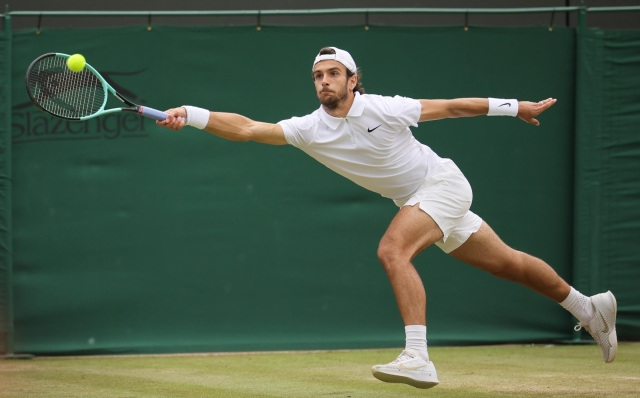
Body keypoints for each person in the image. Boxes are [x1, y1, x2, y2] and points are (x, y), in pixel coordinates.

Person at [157, 47, 618, 389]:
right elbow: (248, 129)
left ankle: (418, 356)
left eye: (334, 73)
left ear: (354, 80)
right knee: (508, 264)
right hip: (417, 201)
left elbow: (456, 106)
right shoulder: (308, 129)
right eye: (318, 75)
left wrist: (516, 107)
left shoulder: (385, 108)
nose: (324, 82)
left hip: (442, 186)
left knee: (392, 250)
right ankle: (587, 306)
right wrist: (192, 114)